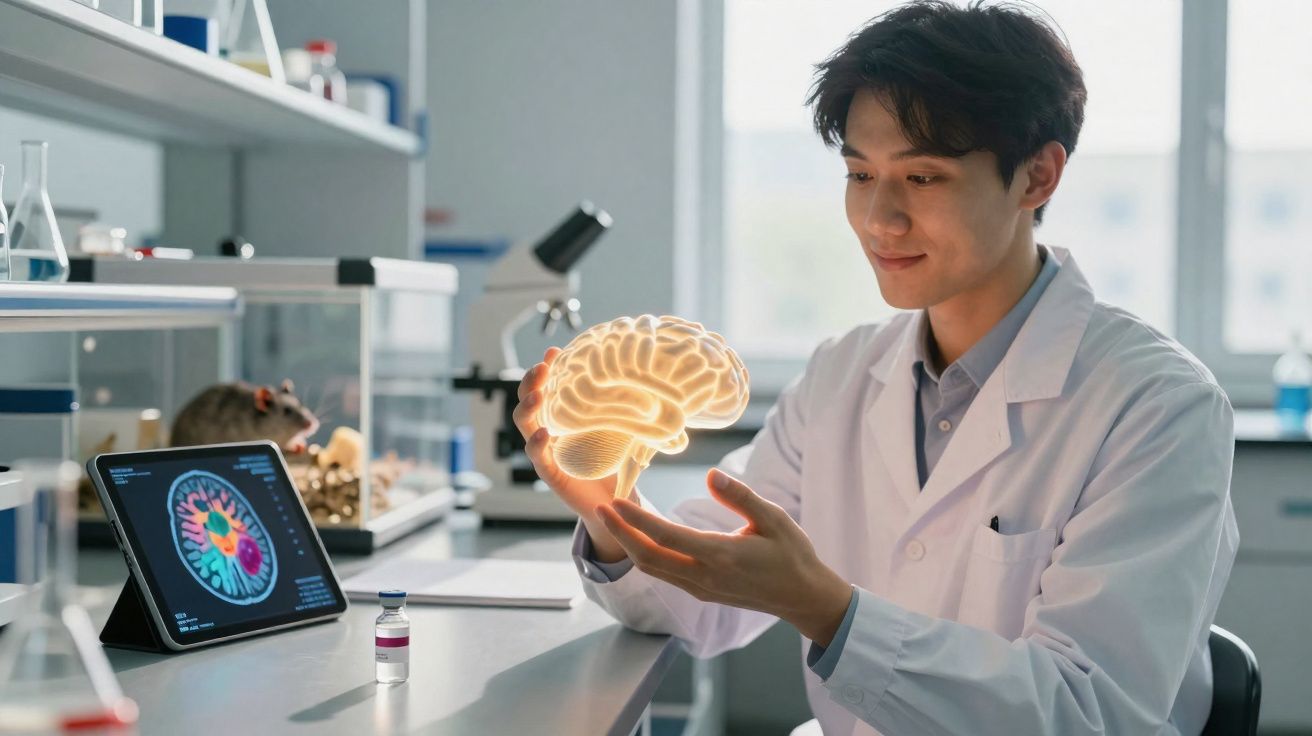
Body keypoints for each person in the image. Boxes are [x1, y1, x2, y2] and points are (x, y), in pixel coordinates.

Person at [514, 2, 1238, 733]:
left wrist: (826, 610)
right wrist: (609, 510)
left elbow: (1090, 711)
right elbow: (697, 608)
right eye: (861, 175)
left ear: (1037, 177)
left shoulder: (1157, 406)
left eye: (923, 179)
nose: (880, 220)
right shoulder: (842, 375)